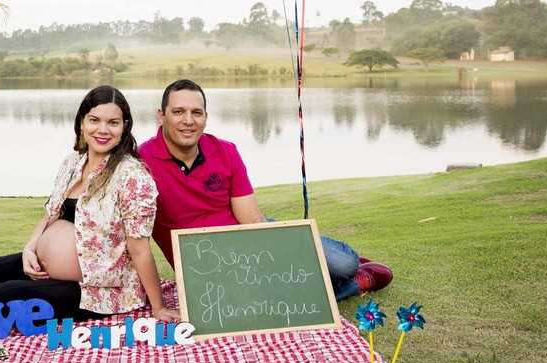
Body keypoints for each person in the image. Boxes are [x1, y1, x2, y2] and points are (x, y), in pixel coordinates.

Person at [0, 85, 179, 323]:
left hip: (94, 289)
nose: (103, 130)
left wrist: (157, 307)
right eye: (95, 120)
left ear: (124, 126)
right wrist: (29, 250)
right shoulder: (72, 163)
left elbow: (139, 249)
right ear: (82, 121)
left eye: (112, 122)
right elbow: (51, 214)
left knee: (5, 293)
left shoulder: (132, 176)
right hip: (45, 266)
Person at [137, 79, 392, 302]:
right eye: (178, 111)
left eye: (197, 112)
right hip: (202, 266)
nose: (188, 121)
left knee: (343, 263)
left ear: (206, 116)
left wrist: (275, 254)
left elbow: (252, 219)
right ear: (162, 115)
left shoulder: (225, 151)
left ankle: (341, 267)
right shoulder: (141, 164)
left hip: (249, 242)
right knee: (265, 299)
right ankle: (353, 283)